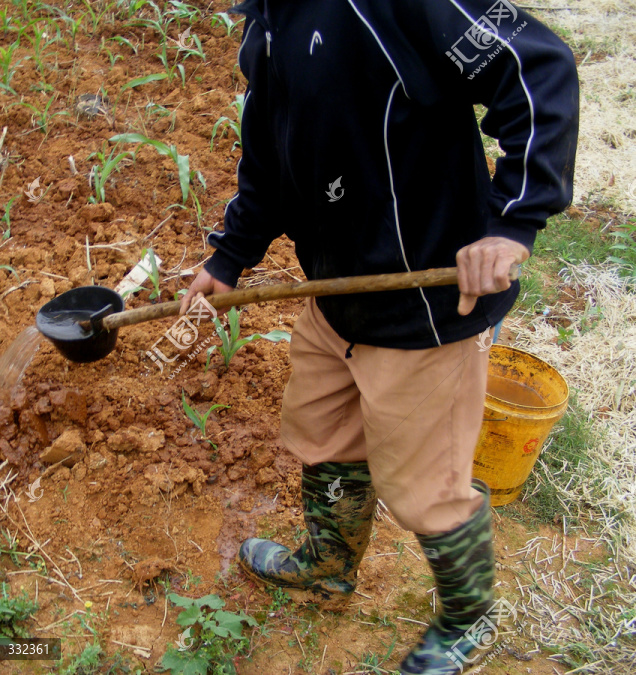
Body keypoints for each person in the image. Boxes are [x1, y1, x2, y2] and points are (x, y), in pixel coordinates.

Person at [179, 1, 578, 672]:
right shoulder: (269, 22)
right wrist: (227, 258)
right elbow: (270, 161)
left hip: (425, 307)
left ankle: (469, 616)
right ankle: (328, 565)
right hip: (335, 296)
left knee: (426, 486)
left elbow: (536, 66)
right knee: (323, 432)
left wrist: (514, 221)